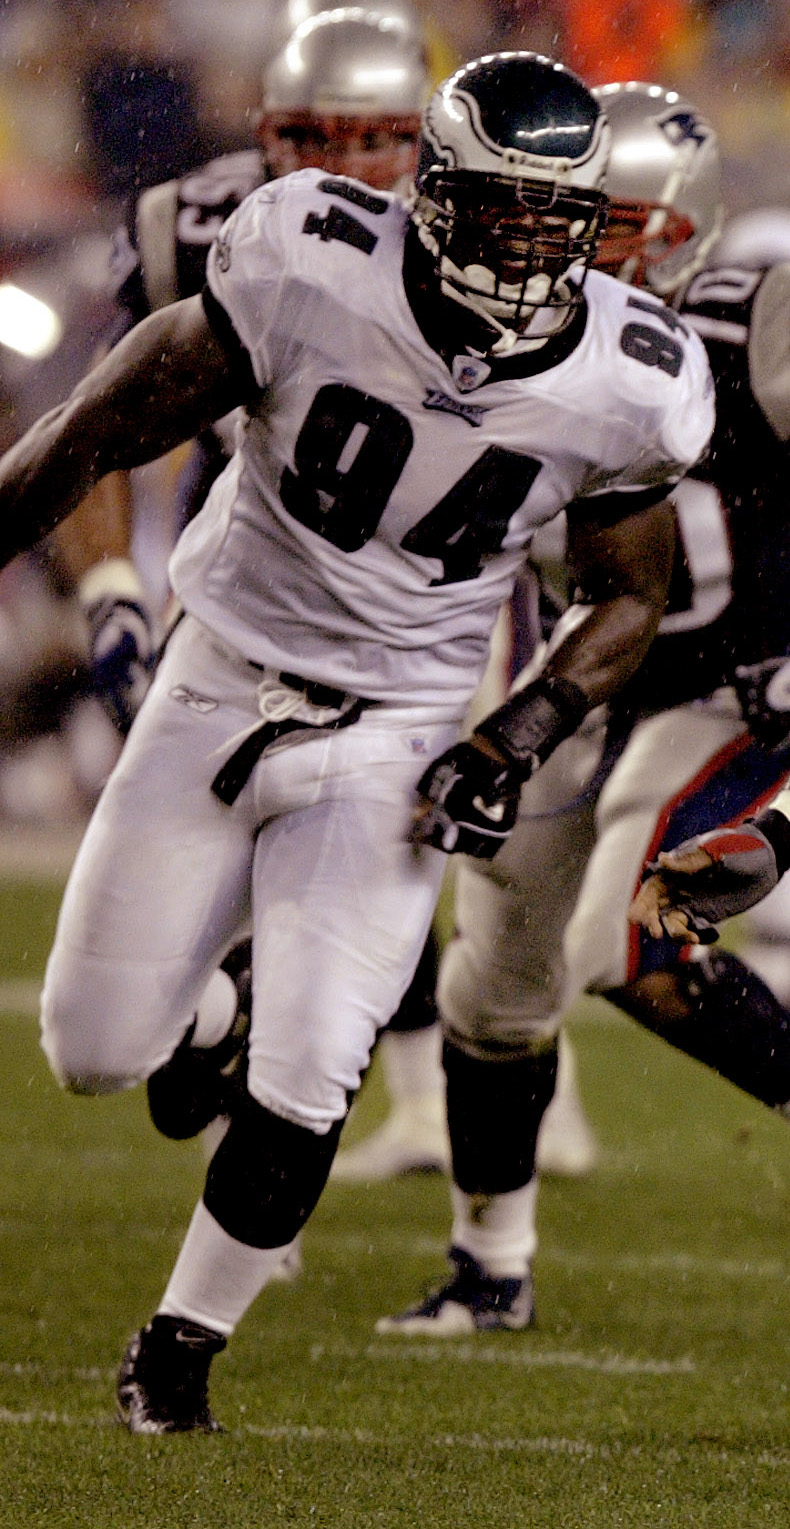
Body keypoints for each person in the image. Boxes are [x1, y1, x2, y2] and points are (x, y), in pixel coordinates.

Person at [0, 51, 712, 1434]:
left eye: (549, 216)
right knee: (92, 1052)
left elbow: (629, 596)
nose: (523, 241)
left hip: (396, 732)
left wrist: (514, 733)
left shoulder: (633, 378)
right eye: (495, 205)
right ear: (429, 192)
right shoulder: (306, 257)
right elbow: (86, 436)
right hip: (216, 681)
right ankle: (213, 1008)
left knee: (316, 1064)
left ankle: (179, 1353)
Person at [377, 76, 790, 1338]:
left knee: (631, 936)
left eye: (590, 220)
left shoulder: (749, 323)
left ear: (675, 230)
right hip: (582, 677)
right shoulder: (486, 333)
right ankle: (487, 1265)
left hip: (742, 685)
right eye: (525, 207)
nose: (541, 238)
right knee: (491, 986)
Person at [55, 5, 456, 1187]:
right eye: (306, 133)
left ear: (426, 145)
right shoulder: (191, 227)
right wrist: (116, 591)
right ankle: (245, 1023)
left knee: (397, 840)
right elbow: (104, 425)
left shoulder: (481, 242)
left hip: (439, 589)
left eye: (373, 137)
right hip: (260, 576)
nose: (336, 164)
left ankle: (455, 1142)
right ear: (264, 130)